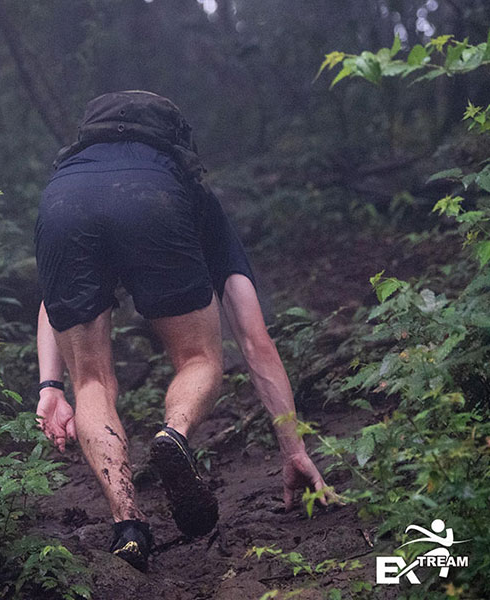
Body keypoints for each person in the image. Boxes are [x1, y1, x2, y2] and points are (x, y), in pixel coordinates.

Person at [34, 91, 336, 571]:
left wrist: (51, 385)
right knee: (198, 360)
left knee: (90, 383)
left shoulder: (68, 175)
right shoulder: (185, 185)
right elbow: (255, 341)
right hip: (153, 201)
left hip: (61, 208)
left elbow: (54, 299)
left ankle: (129, 526)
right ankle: (174, 435)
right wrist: (294, 447)